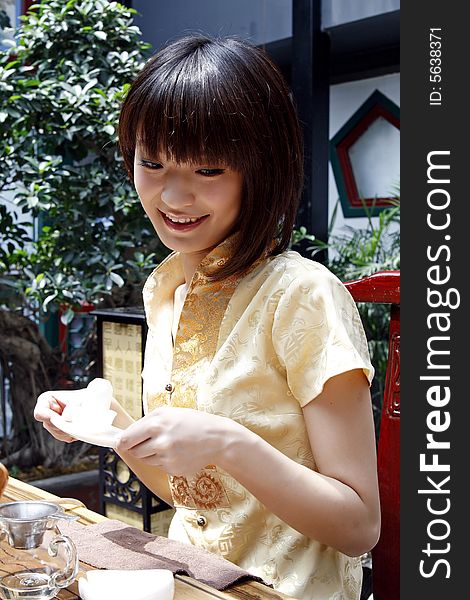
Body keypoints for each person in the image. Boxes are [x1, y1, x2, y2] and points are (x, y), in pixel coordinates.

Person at [34, 34, 380, 600]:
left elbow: (360, 526)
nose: (173, 195)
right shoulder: (166, 288)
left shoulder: (302, 296)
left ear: (258, 170)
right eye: (152, 163)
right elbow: (191, 494)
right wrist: (113, 427)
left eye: (209, 170)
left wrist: (227, 442)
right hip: (196, 583)